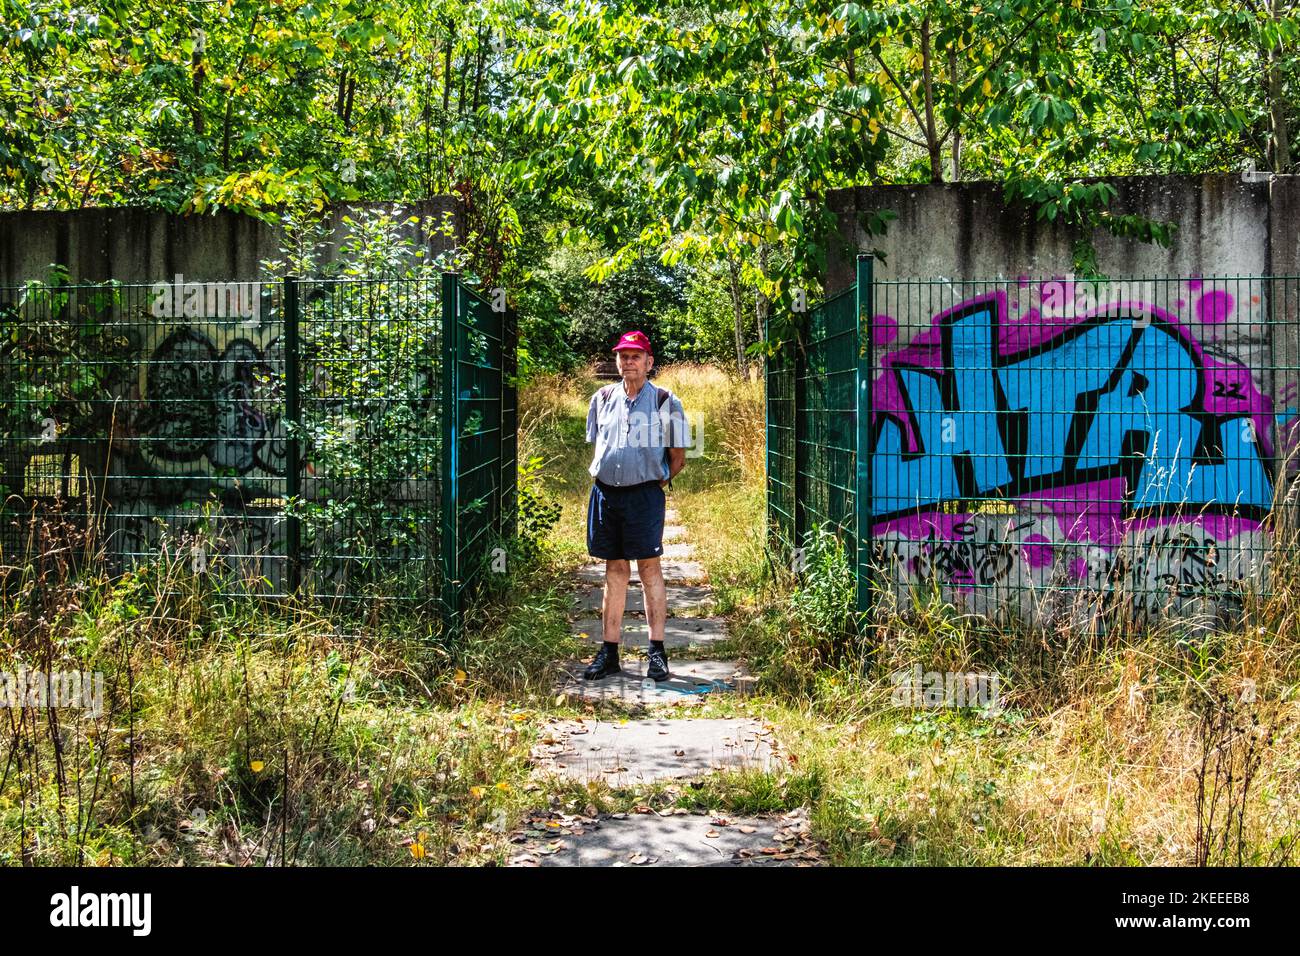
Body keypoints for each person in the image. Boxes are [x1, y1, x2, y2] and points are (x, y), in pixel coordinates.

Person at [582, 330, 689, 681]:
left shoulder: (665, 401)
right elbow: (600, 446)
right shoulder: (600, 398)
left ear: (648, 362)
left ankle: (656, 652)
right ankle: (609, 652)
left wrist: (649, 482)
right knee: (613, 571)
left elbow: (678, 458)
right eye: (623, 356)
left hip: (644, 497)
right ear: (617, 361)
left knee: (648, 570)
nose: (628, 361)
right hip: (606, 495)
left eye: (635, 356)